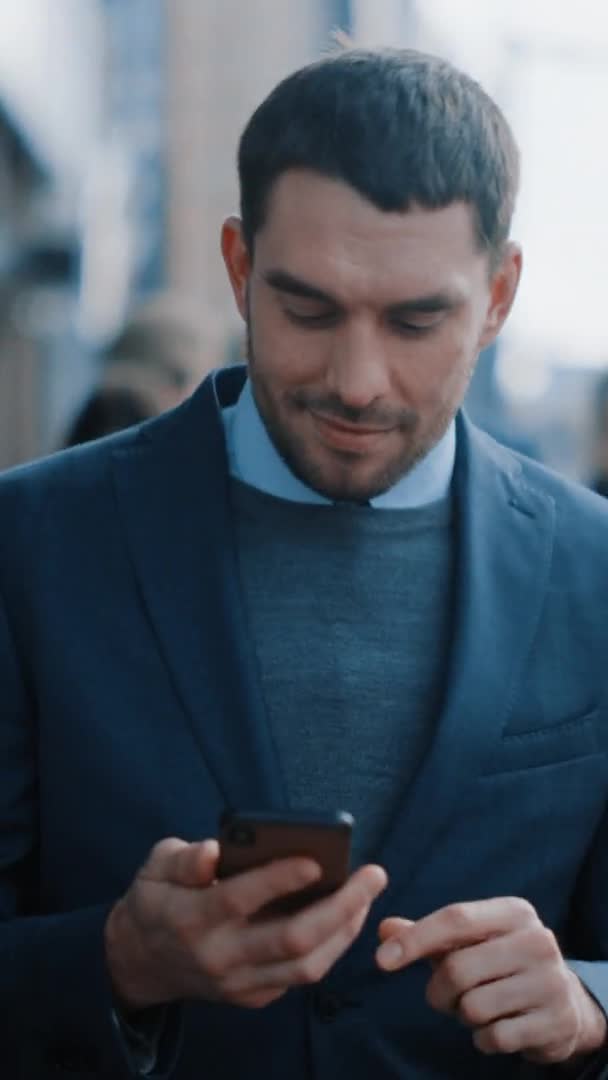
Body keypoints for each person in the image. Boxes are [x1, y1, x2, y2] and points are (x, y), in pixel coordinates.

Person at [1, 47, 607, 1080]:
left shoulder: (592, 570)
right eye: (308, 309)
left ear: (498, 295)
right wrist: (113, 961)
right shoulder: (31, 545)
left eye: (416, 319)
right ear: (238, 270)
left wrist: (588, 1002)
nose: (356, 381)